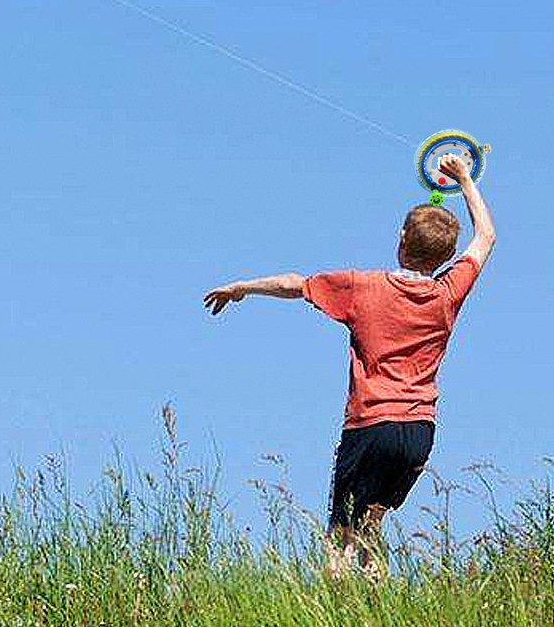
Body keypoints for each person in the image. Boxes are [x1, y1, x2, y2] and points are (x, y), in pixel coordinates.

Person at [203, 154, 495, 577]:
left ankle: (338, 612)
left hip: (371, 427)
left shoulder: (364, 289)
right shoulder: (447, 294)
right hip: (418, 433)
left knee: (339, 539)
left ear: (400, 240)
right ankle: (376, 607)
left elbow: (295, 283)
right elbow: (485, 235)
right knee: (370, 529)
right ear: (448, 255)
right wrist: (466, 180)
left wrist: (243, 287)